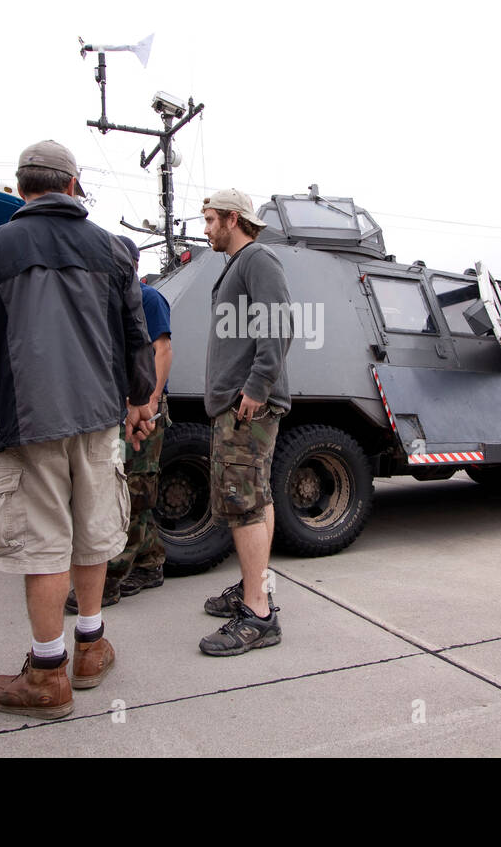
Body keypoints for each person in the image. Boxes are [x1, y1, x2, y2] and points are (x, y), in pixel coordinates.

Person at [0, 139, 155, 719]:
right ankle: (91, 646)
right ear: (73, 187)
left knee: (44, 544)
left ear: (21, 186)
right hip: (98, 419)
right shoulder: (114, 251)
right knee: (92, 530)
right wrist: (137, 400)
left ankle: (46, 673)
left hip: (23, 418)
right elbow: (136, 336)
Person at [198, 188, 292, 656]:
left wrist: (256, 387)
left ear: (234, 219)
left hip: (246, 404)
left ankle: (257, 615)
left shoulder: (258, 258)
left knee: (243, 502)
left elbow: (279, 324)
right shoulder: (237, 264)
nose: (206, 227)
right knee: (256, 495)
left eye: (211, 219)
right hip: (237, 403)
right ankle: (255, 586)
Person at [65, 235, 172, 612]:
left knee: (132, 493)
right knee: (131, 490)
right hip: (115, 411)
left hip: (142, 411)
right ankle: (150, 564)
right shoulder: (108, 300)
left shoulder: (148, 298)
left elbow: (162, 350)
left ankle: (110, 579)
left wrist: (150, 402)